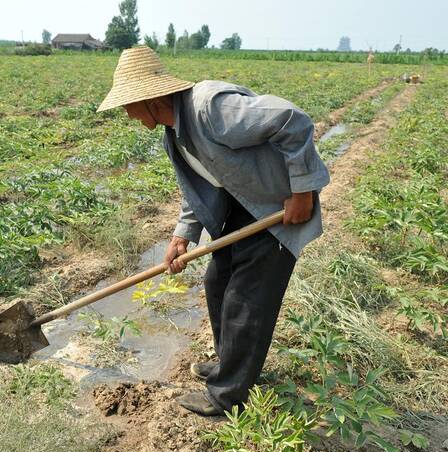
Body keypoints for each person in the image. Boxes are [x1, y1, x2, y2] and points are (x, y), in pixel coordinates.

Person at [97, 46, 329, 416]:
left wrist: (302, 192)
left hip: (276, 207)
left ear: (152, 99)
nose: (127, 114)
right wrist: (181, 236)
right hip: (244, 204)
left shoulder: (210, 108)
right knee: (217, 281)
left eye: (128, 105)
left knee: (247, 299)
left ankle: (227, 395)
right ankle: (230, 365)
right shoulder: (175, 133)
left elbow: (293, 121)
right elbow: (202, 186)